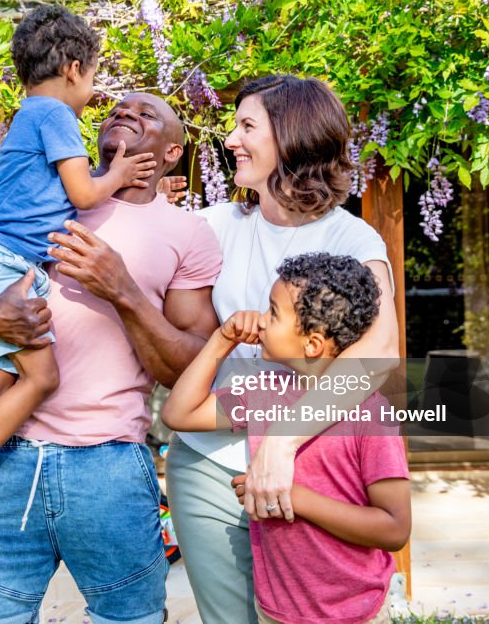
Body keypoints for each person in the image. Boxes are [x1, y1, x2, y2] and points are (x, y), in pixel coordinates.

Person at [0, 92, 223, 624]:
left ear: (171, 154)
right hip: (6, 460)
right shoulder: (47, 197)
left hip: (109, 467)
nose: (125, 113)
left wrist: (124, 291)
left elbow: (188, 367)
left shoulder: (189, 233)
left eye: (147, 114)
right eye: (117, 110)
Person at [164, 75, 401, 623]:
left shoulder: (353, 239)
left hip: (311, 470)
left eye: (247, 126)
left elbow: (380, 350)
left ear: (291, 141)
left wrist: (280, 444)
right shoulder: (213, 224)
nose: (229, 139)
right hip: (209, 464)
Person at [0, 5, 156, 543]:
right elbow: (84, 195)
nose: (95, 91)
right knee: (43, 378)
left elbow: (63, 197)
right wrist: (118, 173)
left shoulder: (30, 115)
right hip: (2, 263)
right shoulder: (55, 116)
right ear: (73, 68)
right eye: (94, 76)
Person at [161, 252, 411, 624]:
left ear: (311, 344)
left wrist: (293, 499)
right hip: (278, 610)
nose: (261, 320)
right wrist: (220, 340)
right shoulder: (265, 393)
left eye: (274, 313)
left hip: (359, 612)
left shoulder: (370, 416)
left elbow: (394, 528)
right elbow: (178, 415)